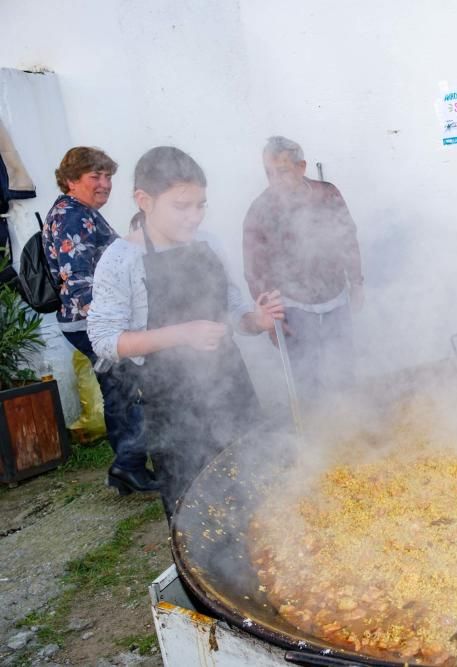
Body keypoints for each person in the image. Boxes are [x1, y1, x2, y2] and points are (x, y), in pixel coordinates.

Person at [88, 146, 283, 517]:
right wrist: (182, 334)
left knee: (255, 487)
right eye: (182, 206)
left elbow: (234, 310)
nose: (195, 217)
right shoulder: (120, 260)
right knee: (195, 506)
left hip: (231, 387)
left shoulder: (209, 243)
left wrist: (256, 321)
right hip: (172, 402)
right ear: (144, 200)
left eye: (201, 205)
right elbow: (106, 341)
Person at [42, 147, 153, 495]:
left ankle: (128, 466)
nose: (105, 184)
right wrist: (113, 330)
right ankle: (128, 466)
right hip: (92, 324)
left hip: (89, 324)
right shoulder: (74, 216)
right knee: (128, 391)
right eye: (95, 176)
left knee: (120, 391)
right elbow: (79, 282)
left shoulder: (78, 212)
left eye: (108, 176)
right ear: (72, 180)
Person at [242, 136, 363, 397]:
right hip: (295, 308)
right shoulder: (259, 210)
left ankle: (353, 421)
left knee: (344, 370)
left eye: (282, 171)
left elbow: (347, 237)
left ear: (301, 167)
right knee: (308, 379)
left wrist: (357, 284)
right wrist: (272, 319)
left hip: (336, 300)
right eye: (269, 173)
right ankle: (317, 429)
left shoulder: (328, 193)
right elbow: (255, 269)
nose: (275, 180)